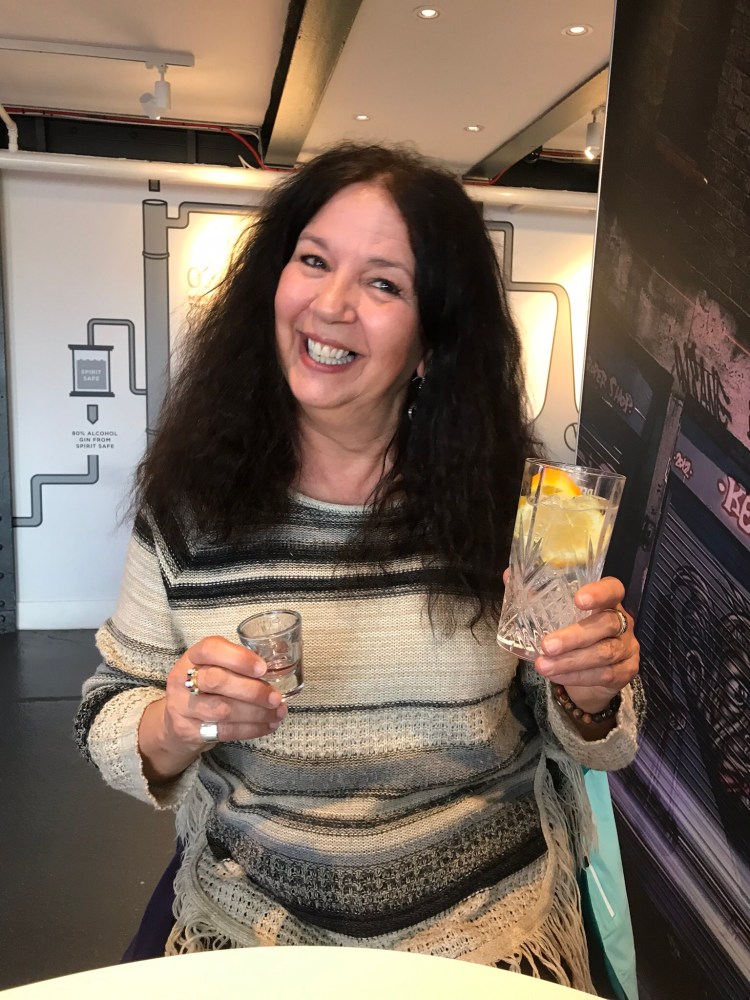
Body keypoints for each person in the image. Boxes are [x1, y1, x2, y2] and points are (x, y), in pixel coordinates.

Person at [75, 143, 641, 994]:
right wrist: (177, 721)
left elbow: (596, 737)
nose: (331, 304)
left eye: (384, 284)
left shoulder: (516, 507)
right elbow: (109, 706)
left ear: (430, 343)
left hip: (492, 929)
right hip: (251, 924)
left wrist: (590, 693)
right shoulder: (190, 506)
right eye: (313, 260)